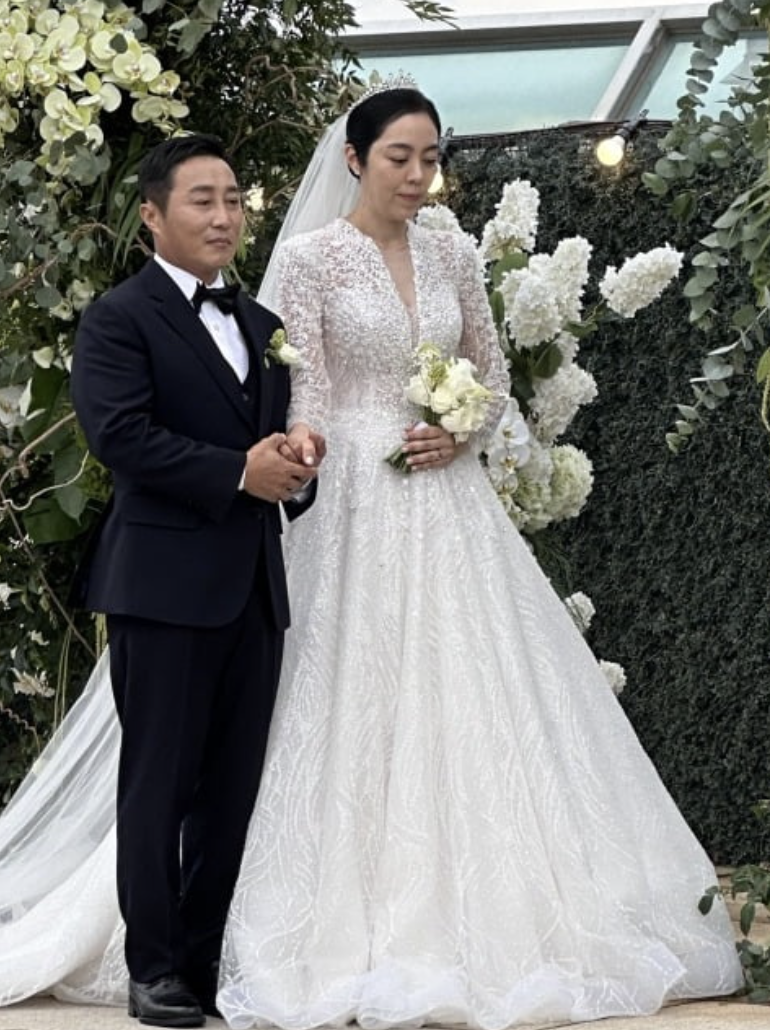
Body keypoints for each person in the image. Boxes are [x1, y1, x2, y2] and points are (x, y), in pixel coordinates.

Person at [0, 84, 743, 1030]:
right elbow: (278, 399)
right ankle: (167, 962)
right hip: (321, 508)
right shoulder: (277, 271)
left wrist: (461, 429)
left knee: (407, 718)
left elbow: (487, 373)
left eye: (431, 157)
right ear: (354, 160)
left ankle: (260, 945)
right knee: (215, 752)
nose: (418, 173)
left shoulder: (435, 257)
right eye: (400, 155)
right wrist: (292, 455)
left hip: (431, 510)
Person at [69, 133, 322, 1028]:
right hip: (162, 585)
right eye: (202, 200)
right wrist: (237, 472)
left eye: (234, 200)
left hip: (253, 585)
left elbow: (270, 444)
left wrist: (296, 462)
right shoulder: (118, 318)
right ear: (152, 214)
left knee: (231, 788)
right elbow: (121, 437)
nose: (224, 217)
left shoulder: (262, 324)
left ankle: (206, 963)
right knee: (159, 784)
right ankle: (155, 969)